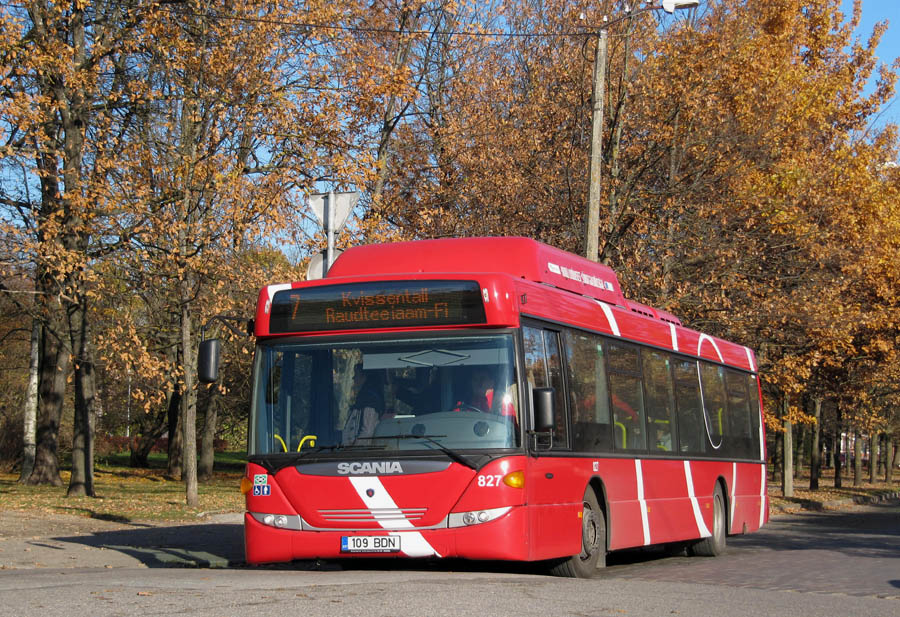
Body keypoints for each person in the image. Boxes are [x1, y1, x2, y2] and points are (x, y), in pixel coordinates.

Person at [342, 365, 384, 445]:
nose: (353, 378)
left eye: (356, 375)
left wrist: (354, 450)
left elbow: (367, 432)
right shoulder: (362, 400)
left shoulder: (370, 400)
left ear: (364, 377)